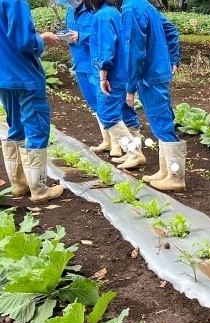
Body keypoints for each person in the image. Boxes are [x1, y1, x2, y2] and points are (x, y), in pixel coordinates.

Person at [0, 0, 63, 203]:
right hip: (24, 74)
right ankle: (39, 189)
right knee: (36, 127)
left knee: (15, 126)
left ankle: (18, 184)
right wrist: (42, 39)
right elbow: (25, 41)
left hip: (3, 75)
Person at [61, 0, 139, 156]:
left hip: (98, 65)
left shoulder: (97, 12)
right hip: (81, 63)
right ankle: (109, 141)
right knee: (96, 104)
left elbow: (105, 39)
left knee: (109, 107)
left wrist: (81, 36)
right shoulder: (71, 12)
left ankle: (127, 149)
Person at [120, 0, 181, 189]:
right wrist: (173, 58)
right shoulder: (145, 5)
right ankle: (165, 171)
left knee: (162, 124)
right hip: (158, 71)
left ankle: (176, 177)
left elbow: (134, 52)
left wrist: (130, 87)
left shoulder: (131, 9)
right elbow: (171, 29)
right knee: (161, 121)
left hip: (149, 75)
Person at [86, 0, 144, 168]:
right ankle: (133, 152)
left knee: (107, 115)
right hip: (123, 72)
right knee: (126, 111)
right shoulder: (115, 13)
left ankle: (133, 152)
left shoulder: (102, 17)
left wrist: (103, 75)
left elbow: (106, 49)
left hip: (113, 75)